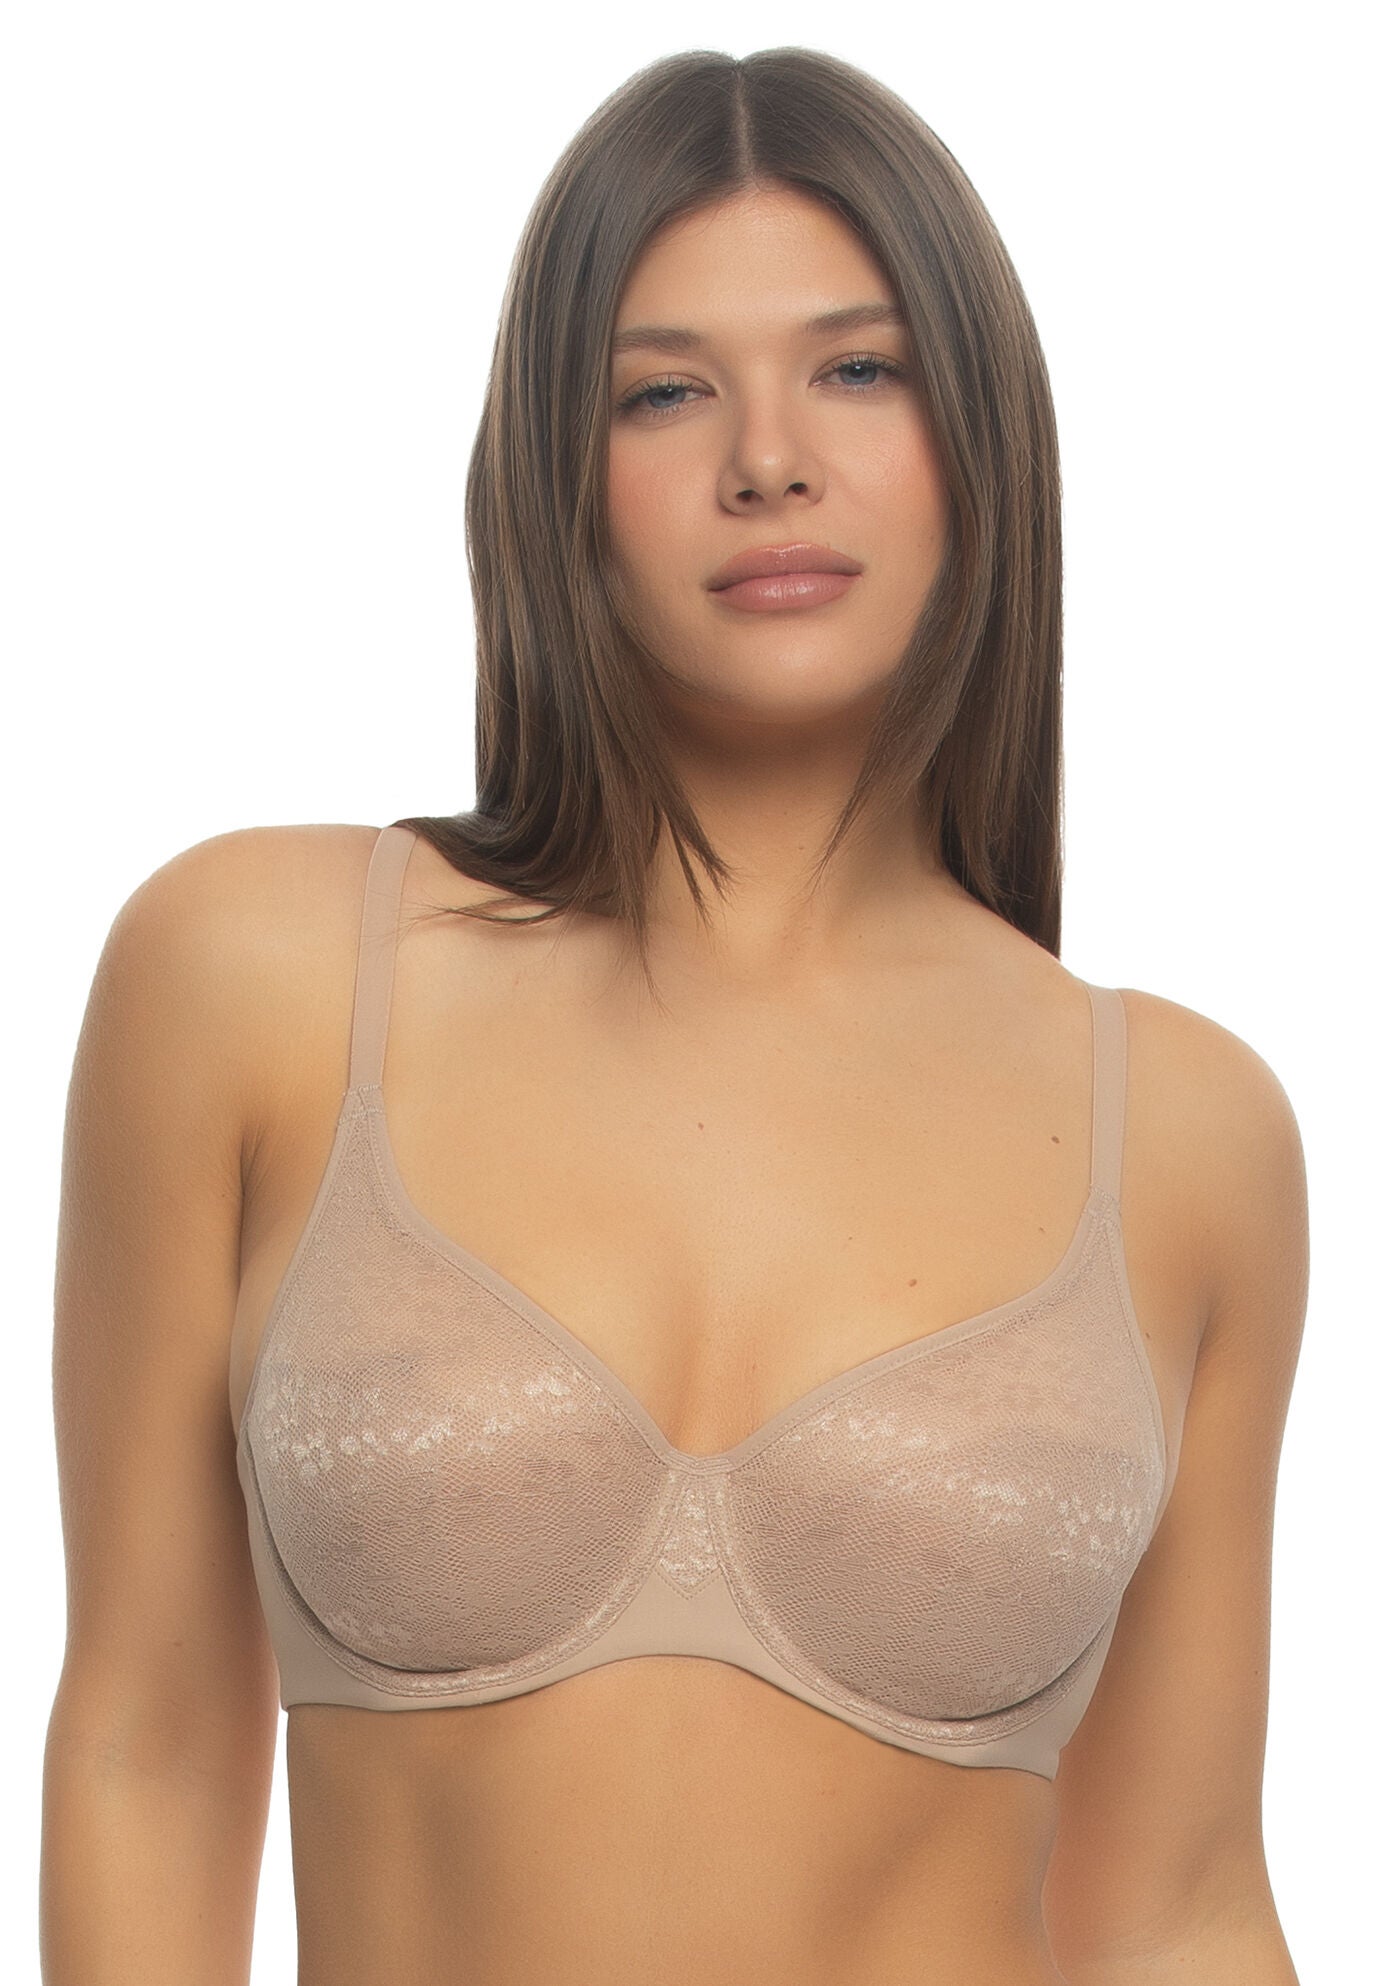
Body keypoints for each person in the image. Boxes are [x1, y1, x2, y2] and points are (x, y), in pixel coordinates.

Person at [39, 44, 1306, 1986]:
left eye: (860, 370)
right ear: (558, 472)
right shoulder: (258, 979)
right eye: (663, 390)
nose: (768, 458)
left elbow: (1176, 1907)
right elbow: (147, 1745)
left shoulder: (1191, 1133)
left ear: (983, 437)